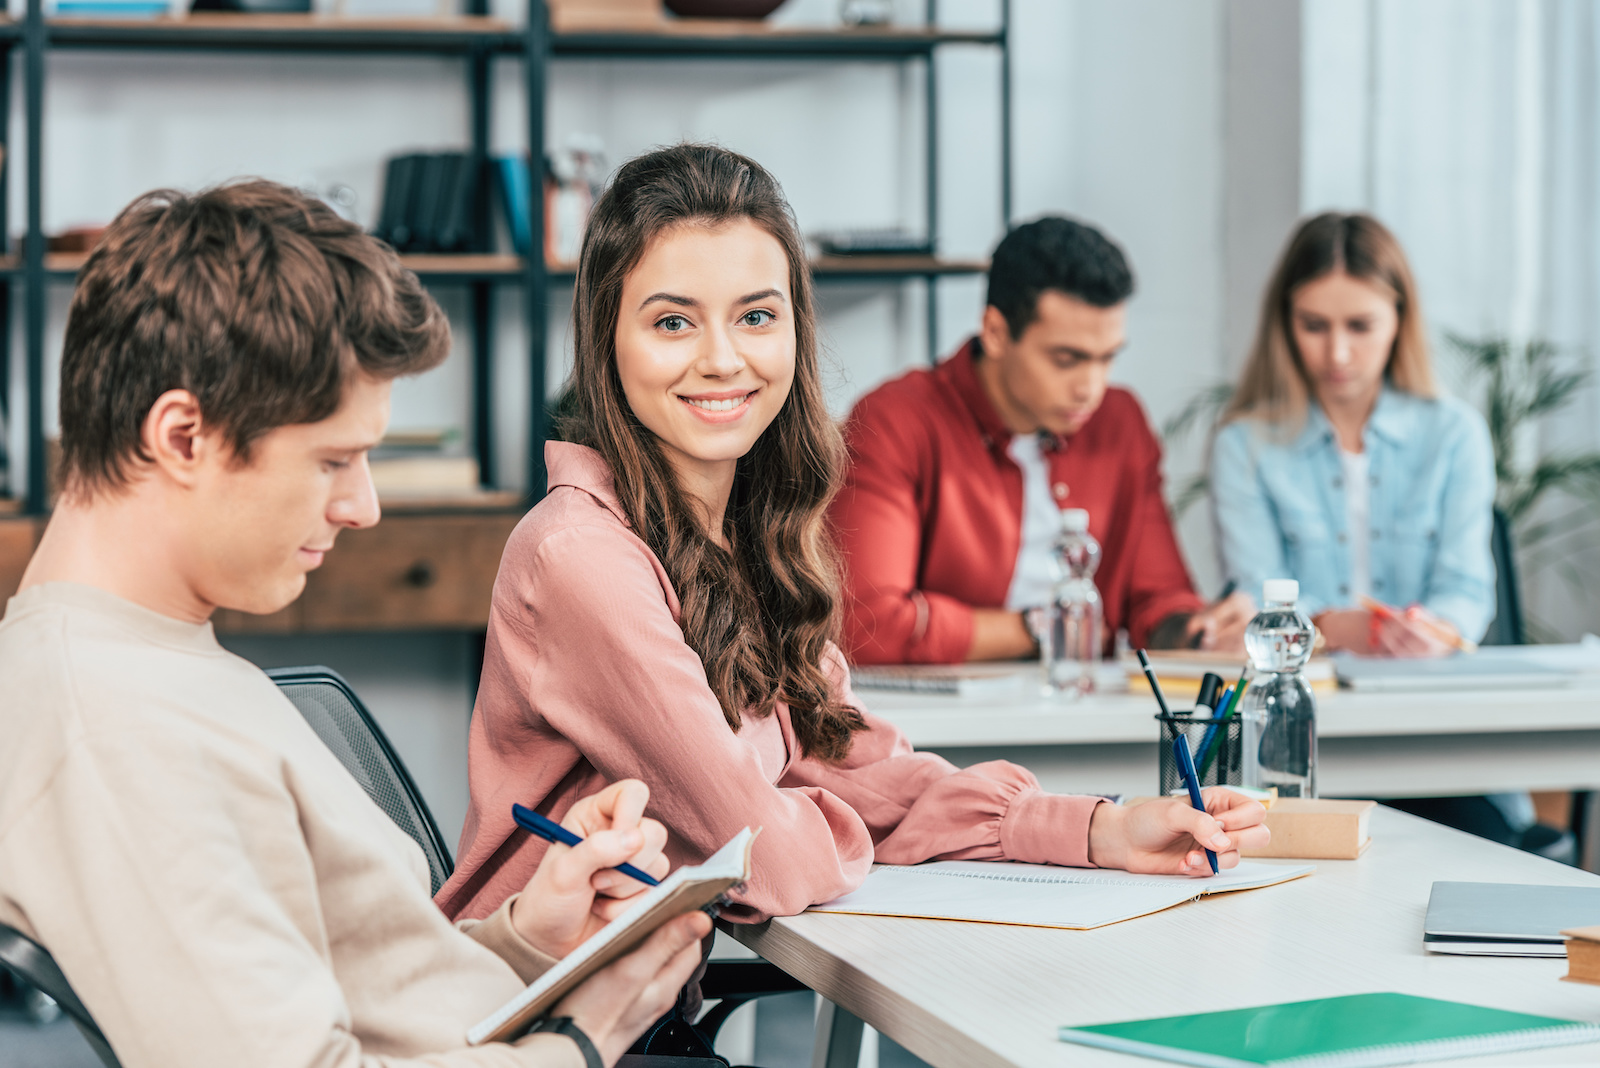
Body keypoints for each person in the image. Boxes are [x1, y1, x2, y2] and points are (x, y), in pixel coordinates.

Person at [438, 145, 1268, 948]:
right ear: (606, 341)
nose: (723, 359)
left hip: (631, 1011)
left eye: (756, 316)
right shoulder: (581, 555)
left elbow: (860, 760)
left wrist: (1103, 827)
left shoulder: (745, 535)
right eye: (672, 322)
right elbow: (764, 856)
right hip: (521, 1022)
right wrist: (811, 803)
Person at [0, 180, 711, 1068]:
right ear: (182, 437)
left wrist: (530, 938)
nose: (363, 506)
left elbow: (369, 1006)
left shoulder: (150, 662)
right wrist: (586, 1036)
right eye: (334, 459)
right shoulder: (112, 734)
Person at [829, 217, 1254, 666]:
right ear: (995, 332)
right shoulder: (896, 421)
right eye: (1067, 359)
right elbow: (866, 625)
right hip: (938, 724)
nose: (1090, 387)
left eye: (1107, 358)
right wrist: (1042, 627)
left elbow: (1158, 600)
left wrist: (1201, 632)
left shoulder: (1119, 421)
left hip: (1079, 716)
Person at [1209, 212, 1497, 656]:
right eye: (1314, 326)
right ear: (1285, 323)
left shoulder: (1456, 434)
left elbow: (1465, 589)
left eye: (1360, 326)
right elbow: (1258, 592)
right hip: (1301, 682)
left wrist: (1434, 630)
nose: (1337, 353)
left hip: (1425, 682)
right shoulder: (1243, 446)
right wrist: (1334, 628)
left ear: (1399, 320)